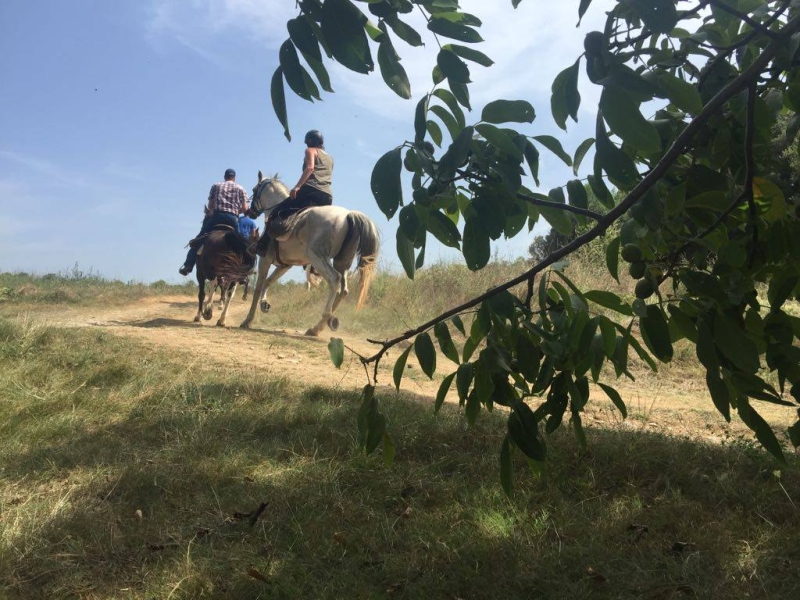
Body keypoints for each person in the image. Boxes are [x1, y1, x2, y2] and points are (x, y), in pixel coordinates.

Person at [179, 168, 249, 276]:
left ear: (224, 177)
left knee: (197, 241)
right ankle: (244, 273)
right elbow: (245, 209)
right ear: (234, 178)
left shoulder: (216, 186)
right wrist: (236, 211)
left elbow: (210, 206)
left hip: (217, 217)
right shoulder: (241, 189)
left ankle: (188, 266)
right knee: (242, 246)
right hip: (233, 219)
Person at [268, 129, 333, 236]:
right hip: (327, 196)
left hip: (310, 192)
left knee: (275, 214)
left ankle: (262, 246)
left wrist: (297, 187)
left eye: (307, 142)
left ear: (310, 141)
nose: (307, 145)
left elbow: (310, 168)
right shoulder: (330, 158)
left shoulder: (310, 151)